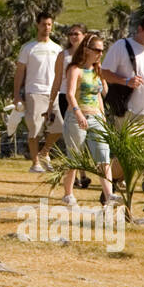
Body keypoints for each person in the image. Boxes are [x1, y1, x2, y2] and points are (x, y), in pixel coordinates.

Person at [100, 12, 144, 212]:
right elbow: (104, 72)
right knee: (125, 155)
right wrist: (125, 81)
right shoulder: (121, 46)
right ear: (139, 29)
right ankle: (109, 185)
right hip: (129, 111)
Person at [63, 32, 119, 207]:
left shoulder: (95, 71)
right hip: (77, 116)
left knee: (103, 155)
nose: (100, 53)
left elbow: (103, 94)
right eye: (97, 50)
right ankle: (68, 193)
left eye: (102, 50)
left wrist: (102, 116)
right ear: (86, 50)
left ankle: (109, 194)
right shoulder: (75, 69)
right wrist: (78, 114)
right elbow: (70, 95)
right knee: (75, 157)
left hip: (96, 116)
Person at [14, 12, 63, 173]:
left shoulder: (57, 49)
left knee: (59, 127)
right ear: (37, 25)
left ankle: (45, 152)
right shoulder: (28, 48)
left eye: (49, 24)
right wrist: (17, 95)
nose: (47, 27)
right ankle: (35, 163)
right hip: (34, 92)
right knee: (35, 128)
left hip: (54, 93)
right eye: (43, 24)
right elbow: (20, 72)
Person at [47, 24, 89, 187]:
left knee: (84, 138)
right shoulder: (63, 55)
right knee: (73, 136)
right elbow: (57, 80)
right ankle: (78, 175)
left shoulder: (89, 55)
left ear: (84, 35)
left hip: (85, 97)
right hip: (66, 96)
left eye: (76, 34)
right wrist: (51, 103)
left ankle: (82, 172)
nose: (73, 37)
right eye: (70, 34)